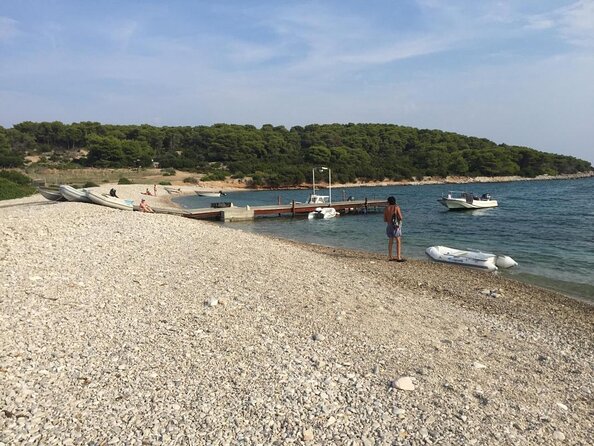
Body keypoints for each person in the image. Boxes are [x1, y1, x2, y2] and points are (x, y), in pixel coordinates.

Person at [384, 196, 405, 262]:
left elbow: (385, 219)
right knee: (398, 241)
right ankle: (398, 257)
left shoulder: (386, 208)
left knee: (390, 241)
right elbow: (401, 217)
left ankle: (390, 256)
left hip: (389, 225)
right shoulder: (396, 207)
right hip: (395, 226)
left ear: (389, 201)